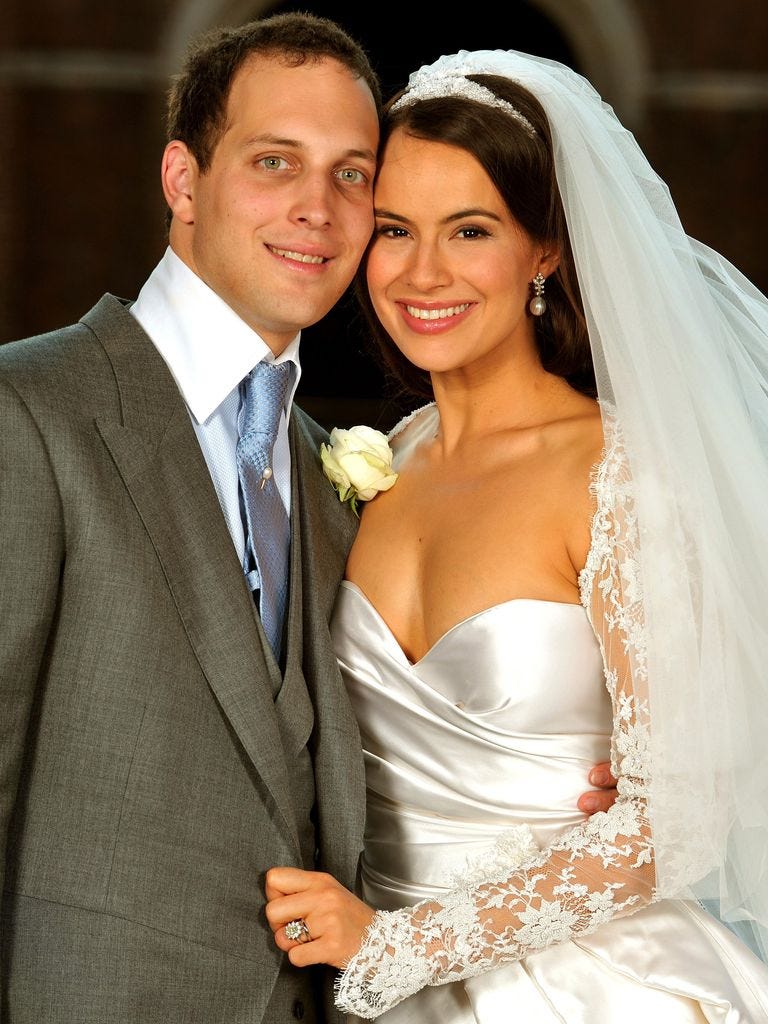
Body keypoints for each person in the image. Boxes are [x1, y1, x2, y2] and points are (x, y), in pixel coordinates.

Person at [0, 18, 618, 1023]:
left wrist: (616, 785)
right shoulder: (25, 414)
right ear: (183, 181)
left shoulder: (335, 470)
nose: (317, 210)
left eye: (351, 176)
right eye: (274, 162)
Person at [264, 49, 768, 1021]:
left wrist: (400, 945)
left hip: (592, 987)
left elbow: (682, 817)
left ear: (545, 249)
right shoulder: (379, 465)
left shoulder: (623, 476)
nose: (423, 272)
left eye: (471, 230)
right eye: (396, 229)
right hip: (365, 979)